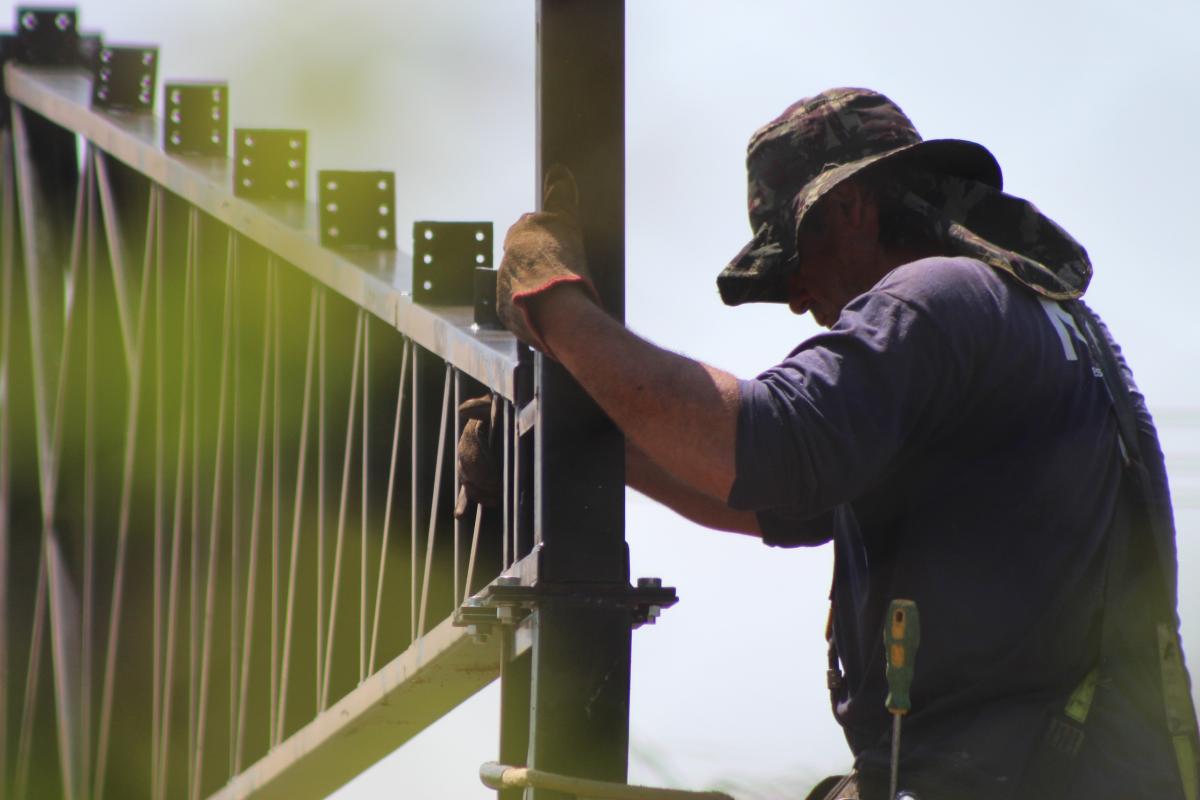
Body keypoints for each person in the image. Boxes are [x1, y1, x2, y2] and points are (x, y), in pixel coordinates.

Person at [461, 88, 1200, 800]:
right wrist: (592, 454)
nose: (794, 295)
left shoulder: (937, 301)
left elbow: (765, 443)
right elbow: (786, 498)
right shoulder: (1032, 319)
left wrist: (552, 299)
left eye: (794, 254)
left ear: (848, 208)